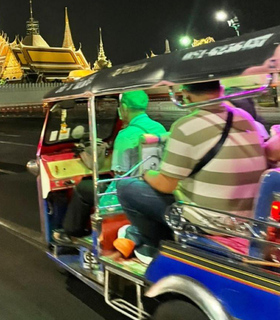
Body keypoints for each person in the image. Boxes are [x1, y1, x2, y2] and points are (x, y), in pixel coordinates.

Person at [115, 81, 267, 264]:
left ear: (185, 94)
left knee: (126, 187)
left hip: (209, 223)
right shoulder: (245, 118)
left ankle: (151, 247)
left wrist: (146, 172)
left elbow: (165, 184)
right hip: (246, 221)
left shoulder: (185, 126)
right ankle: (137, 236)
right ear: (220, 90)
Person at [53, 90, 167, 243]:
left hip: (128, 192)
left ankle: (72, 233)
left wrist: (106, 206)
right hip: (152, 188)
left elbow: (120, 175)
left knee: (83, 188)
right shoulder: (158, 128)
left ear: (124, 108)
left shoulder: (126, 135)